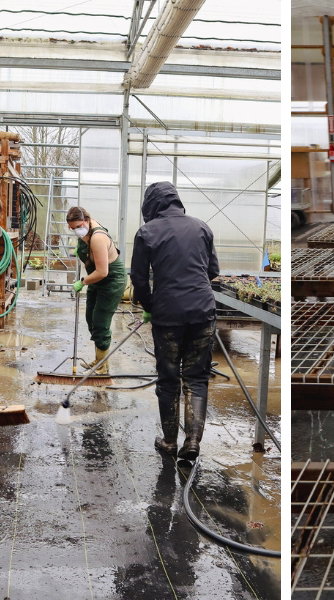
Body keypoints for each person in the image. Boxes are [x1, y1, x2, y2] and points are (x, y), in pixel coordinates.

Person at [130, 181, 220, 460]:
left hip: (168, 315)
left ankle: (170, 441)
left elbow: (139, 279)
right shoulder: (202, 227)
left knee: (168, 379)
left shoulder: (147, 232)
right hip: (203, 313)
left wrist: (150, 305)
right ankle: (193, 441)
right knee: (197, 377)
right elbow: (213, 271)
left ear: (151, 205)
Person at [66, 206, 128, 375]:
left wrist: (82, 281)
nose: (77, 231)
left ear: (86, 220)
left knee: (100, 321)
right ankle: (99, 359)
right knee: (90, 318)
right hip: (97, 279)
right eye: (73, 228)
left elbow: (103, 272)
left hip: (111, 281)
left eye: (79, 226)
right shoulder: (85, 231)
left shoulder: (98, 237)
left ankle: (102, 367)